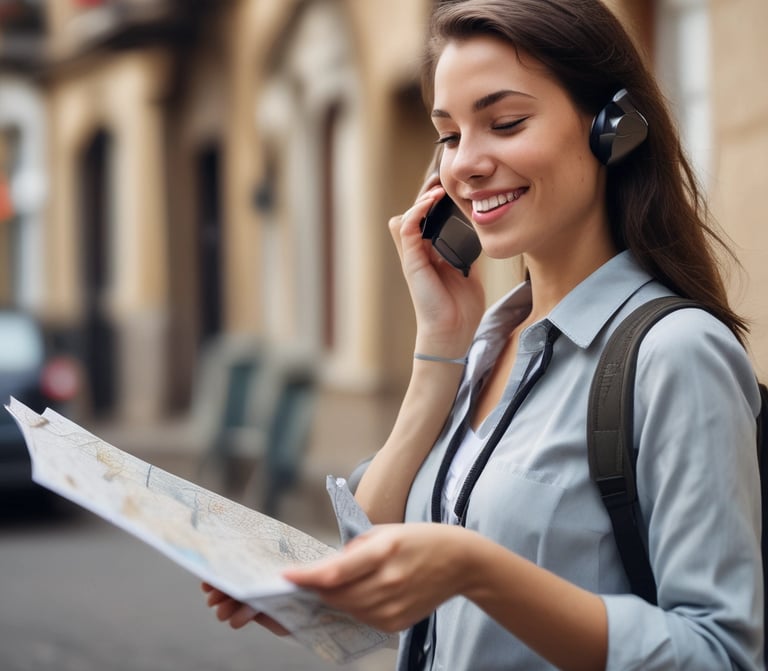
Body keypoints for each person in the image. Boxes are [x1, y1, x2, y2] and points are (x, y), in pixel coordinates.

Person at [203, 0, 764, 668]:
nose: (464, 164)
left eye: (505, 122)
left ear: (615, 129)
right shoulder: (482, 349)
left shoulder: (676, 354)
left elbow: (719, 652)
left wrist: (478, 569)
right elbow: (376, 581)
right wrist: (438, 353)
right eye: (449, 135)